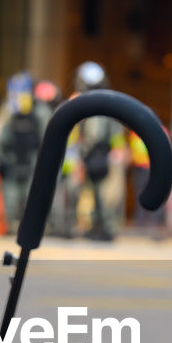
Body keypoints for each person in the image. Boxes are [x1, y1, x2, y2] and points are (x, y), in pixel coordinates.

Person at [73, 60, 126, 241]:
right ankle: (96, 227)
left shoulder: (101, 104)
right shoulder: (88, 102)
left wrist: (116, 152)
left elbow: (99, 134)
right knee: (93, 193)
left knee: (106, 194)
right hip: (94, 156)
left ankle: (107, 228)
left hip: (103, 155)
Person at [0, 71, 44, 229]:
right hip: (12, 162)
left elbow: (44, 137)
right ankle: (10, 228)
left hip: (31, 163)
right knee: (10, 200)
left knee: (31, 200)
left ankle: (32, 228)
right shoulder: (8, 110)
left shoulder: (39, 111)